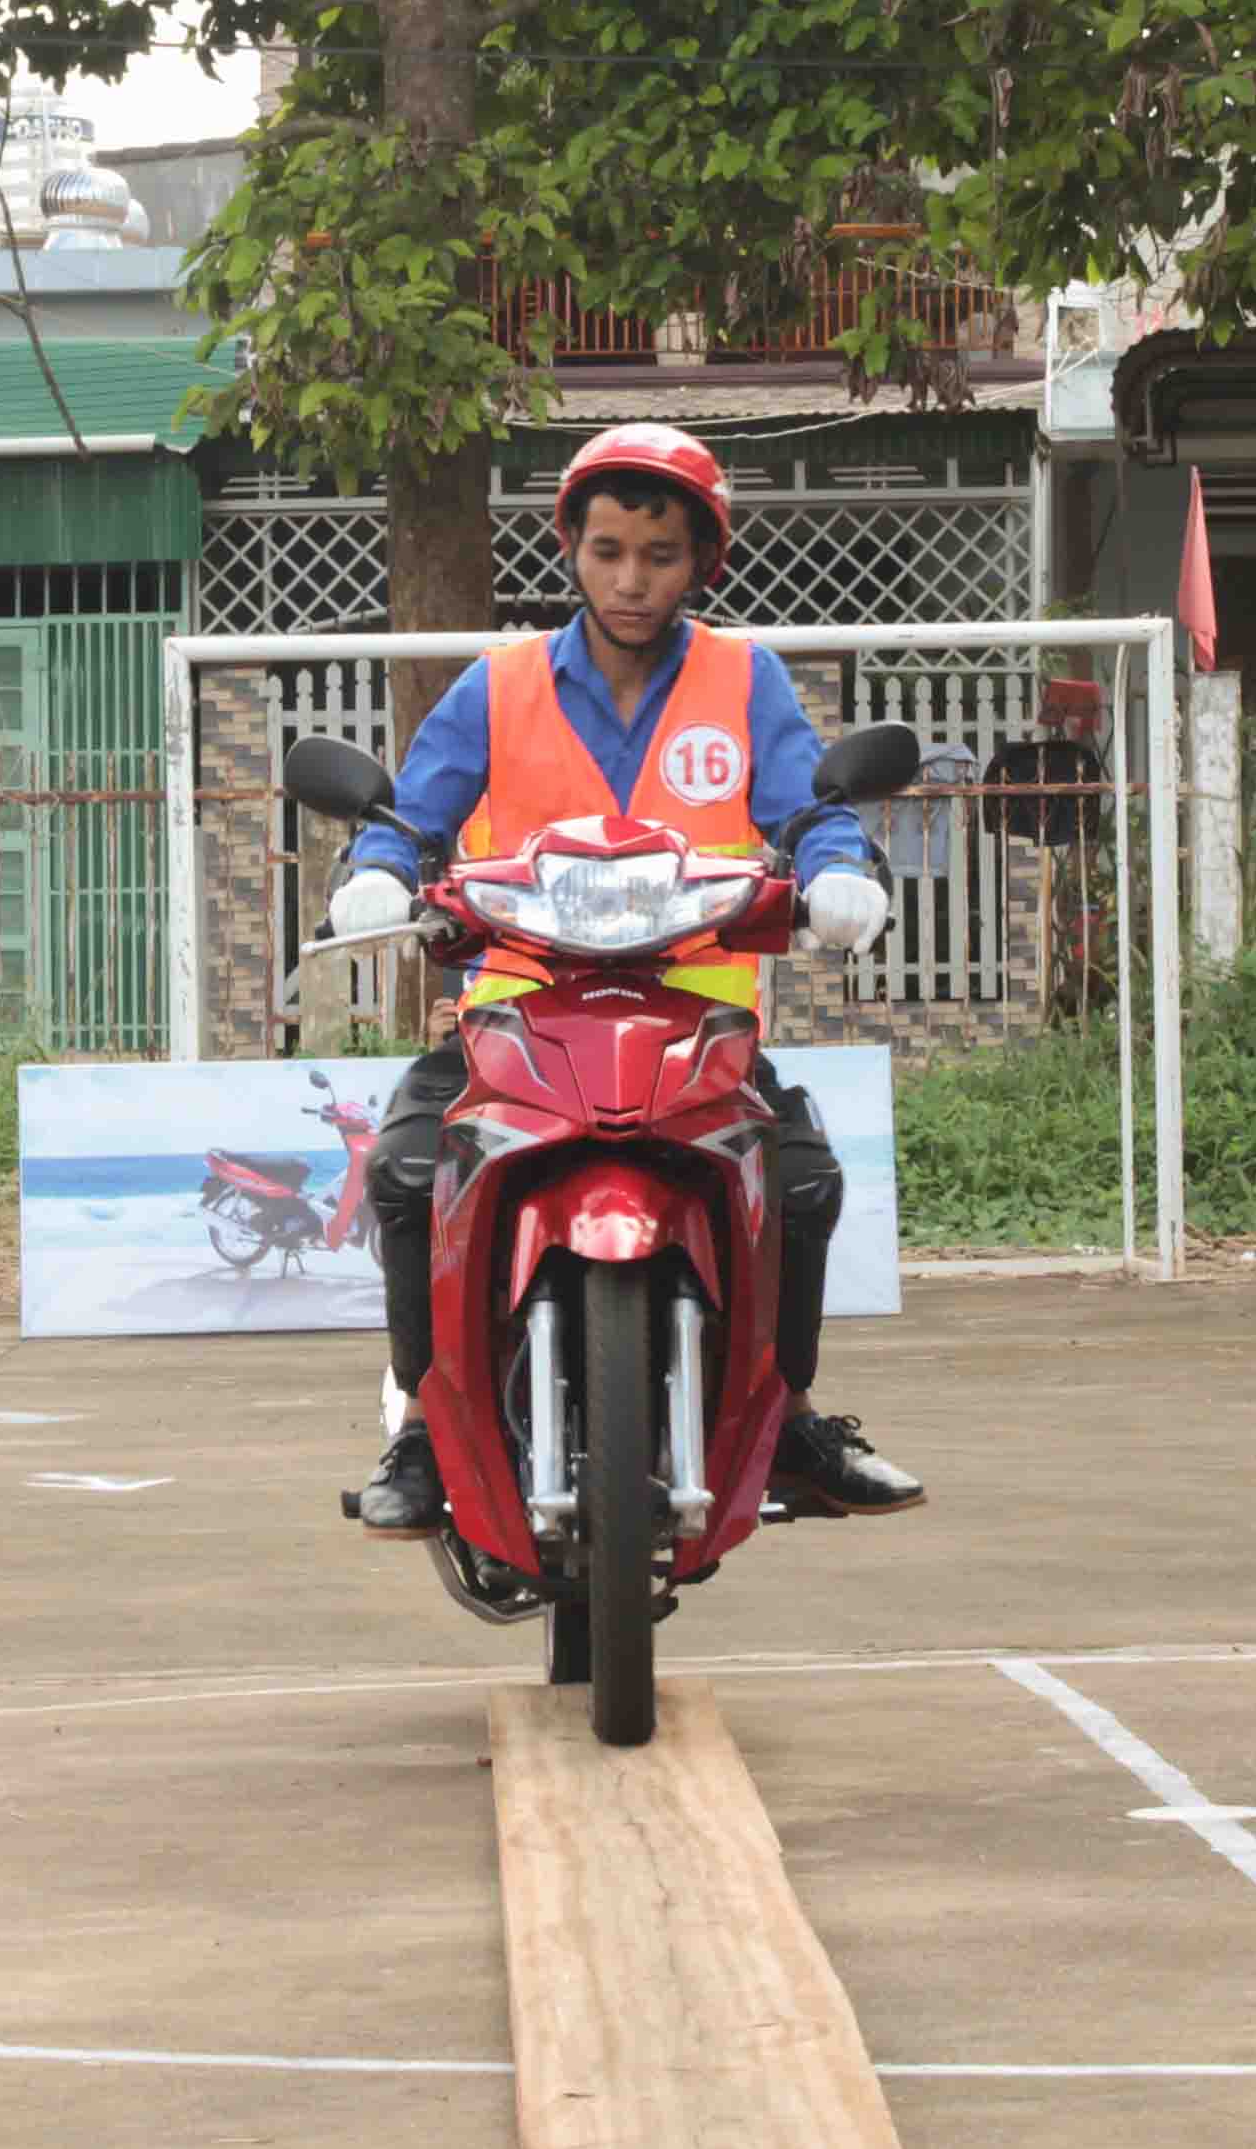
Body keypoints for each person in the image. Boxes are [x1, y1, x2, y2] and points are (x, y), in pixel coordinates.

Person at [331, 423, 928, 1534]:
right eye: (607, 550)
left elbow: (810, 811)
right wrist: (375, 872)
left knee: (802, 1184)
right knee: (408, 1176)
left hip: (698, 1023)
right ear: (571, 548)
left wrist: (842, 873)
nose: (631, 579)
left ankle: (783, 1416)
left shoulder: (744, 679)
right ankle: (424, 1426)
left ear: (704, 559)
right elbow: (412, 818)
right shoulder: (498, 685)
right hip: (513, 1017)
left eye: (659, 555)